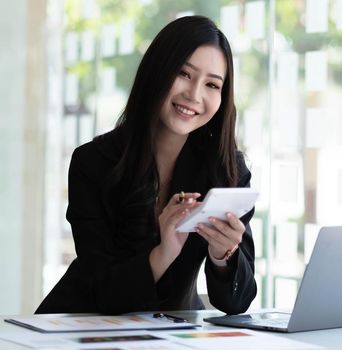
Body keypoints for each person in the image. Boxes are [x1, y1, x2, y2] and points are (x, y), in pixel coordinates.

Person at [36, 16, 257, 315]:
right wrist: (163, 253)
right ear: (157, 71)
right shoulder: (93, 162)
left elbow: (236, 302)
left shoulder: (226, 171)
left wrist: (223, 254)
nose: (194, 95)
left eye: (212, 84)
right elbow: (102, 291)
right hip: (79, 325)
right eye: (183, 73)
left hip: (169, 334)